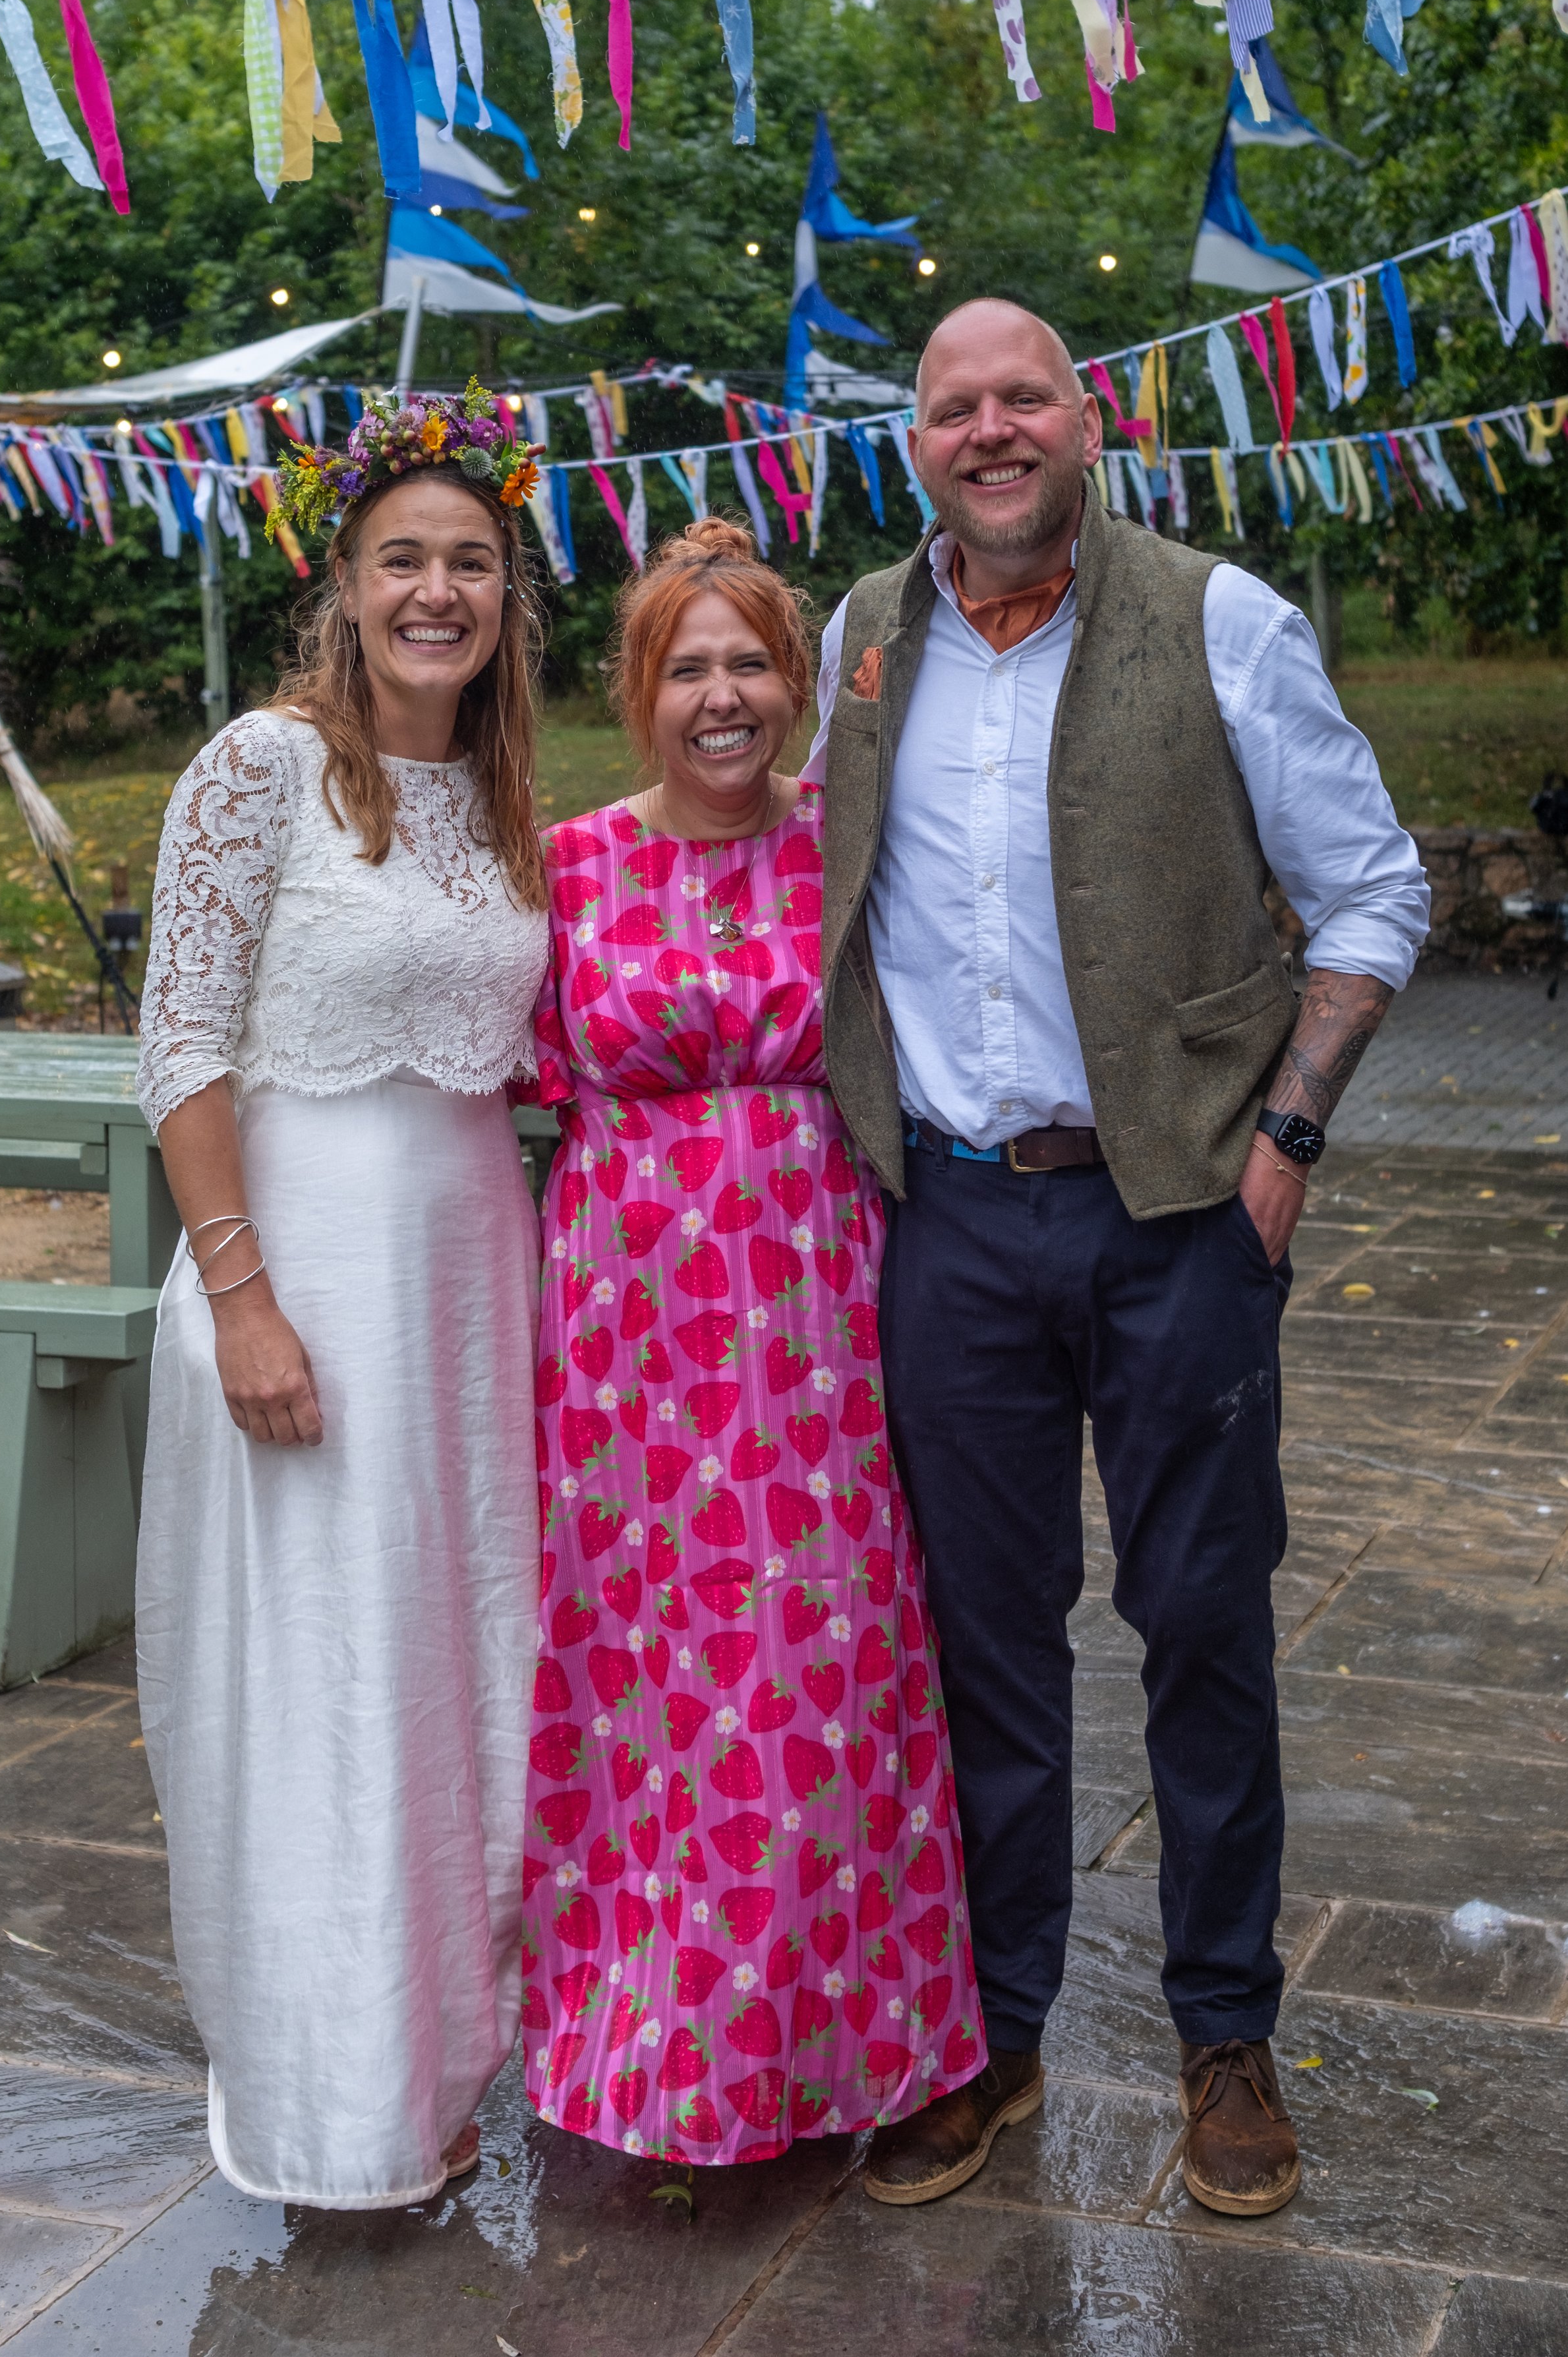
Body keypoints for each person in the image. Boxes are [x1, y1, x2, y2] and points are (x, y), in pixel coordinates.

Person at [811, 301, 1430, 2215]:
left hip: (1176, 1216)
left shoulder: (1216, 617)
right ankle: (989, 2030)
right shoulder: (860, 639)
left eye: (1023, 398)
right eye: (952, 407)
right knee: (978, 1643)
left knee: (1201, 1625)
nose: (989, 430)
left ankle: (1223, 2032)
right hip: (947, 1218)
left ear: (1088, 424)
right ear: (914, 443)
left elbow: (1370, 888)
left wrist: (1285, 1142)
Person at [519, 518, 985, 2165]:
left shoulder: (854, 844)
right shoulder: (562, 866)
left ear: (798, 685)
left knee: (822, 1665)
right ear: (637, 694)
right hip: (625, 1330)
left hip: (815, 1312)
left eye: (748, 665)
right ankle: (644, 2045)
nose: (719, 697)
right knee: (645, 1675)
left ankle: (833, 2044)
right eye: (685, 669)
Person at [134, 384, 552, 2207]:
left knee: (459, 1663)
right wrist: (243, 1298)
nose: (435, 591)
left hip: (470, 1285)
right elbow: (179, 1044)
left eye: (469, 560)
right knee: (329, 1680)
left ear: (507, 594)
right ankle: (335, 2100)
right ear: (347, 583)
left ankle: (440, 2046)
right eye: (403, 559)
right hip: (303, 1269)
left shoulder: (505, 794)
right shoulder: (259, 768)